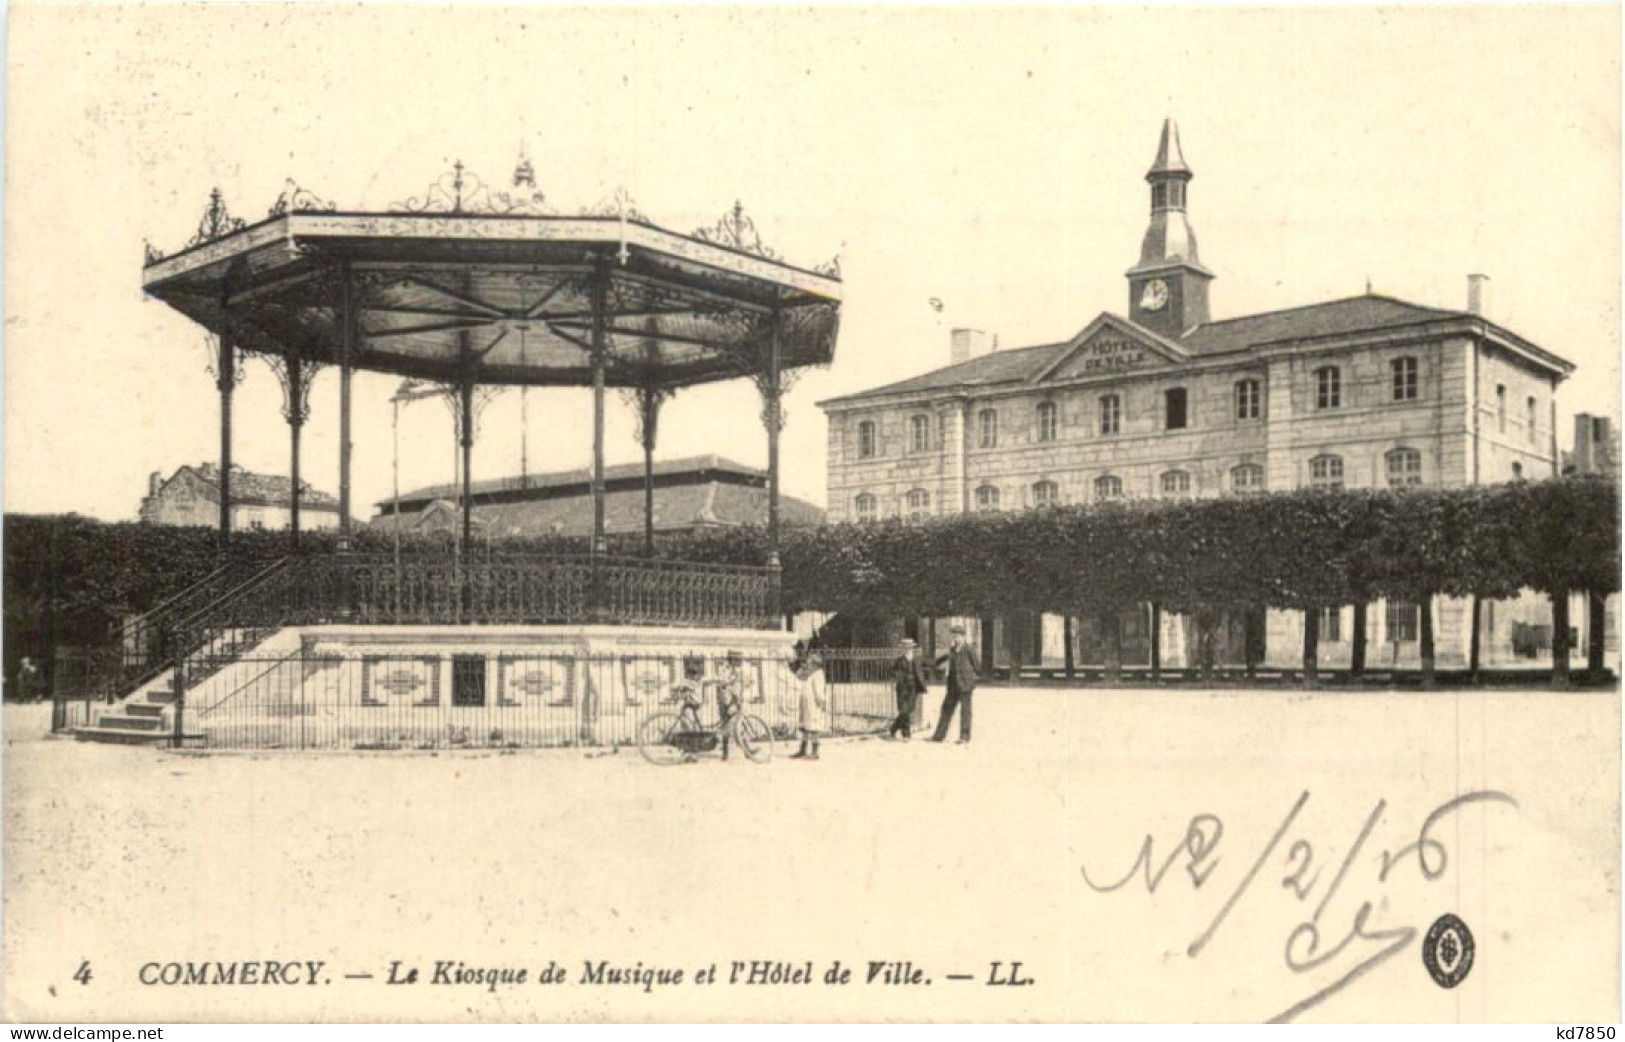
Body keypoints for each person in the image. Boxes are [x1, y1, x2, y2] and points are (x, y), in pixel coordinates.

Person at [931, 624, 980, 744]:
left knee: (965, 712)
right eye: (954, 636)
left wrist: (971, 681)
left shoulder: (969, 649)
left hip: (965, 685)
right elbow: (947, 662)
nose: (956, 638)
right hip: (952, 685)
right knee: (946, 709)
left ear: (963, 637)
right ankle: (939, 736)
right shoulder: (952, 650)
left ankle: (964, 737)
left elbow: (977, 667)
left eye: (958, 636)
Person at [887, 638, 930, 740]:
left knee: (909, 710)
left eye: (909, 647)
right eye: (905, 648)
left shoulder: (917, 659)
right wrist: (895, 678)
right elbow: (892, 671)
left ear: (912, 648)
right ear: (903, 649)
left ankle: (893, 728)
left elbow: (930, 664)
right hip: (902, 687)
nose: (907, 649)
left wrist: (945, 658)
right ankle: (906, 734)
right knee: (904, 710)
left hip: (913, 687)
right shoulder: (899, 660)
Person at [790, 653, 829, 760]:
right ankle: (803, 750)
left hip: (814, 705)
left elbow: (819, 691)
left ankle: (815, 752)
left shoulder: (818, 674)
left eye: (809, 662)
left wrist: (822, 703)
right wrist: (802, 669)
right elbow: (797, 676)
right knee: (805, 727)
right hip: (805, 704)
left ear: (815, 664)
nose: (807, 664)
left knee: (814, 728)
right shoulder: (809, 673)